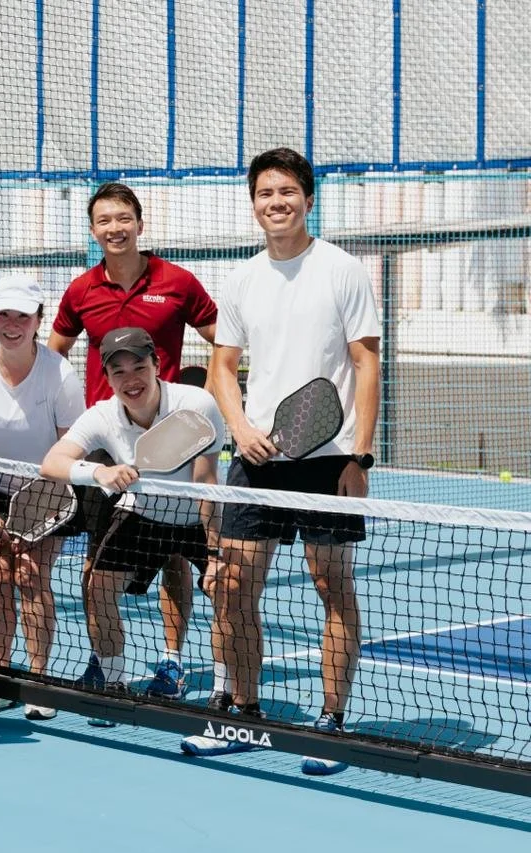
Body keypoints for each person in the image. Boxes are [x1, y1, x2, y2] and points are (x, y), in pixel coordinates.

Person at [192, 147, 380, 774]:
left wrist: (359, 456)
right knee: (234, 587)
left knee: (332, 586)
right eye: (265, 193)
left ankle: (330, 723)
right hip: (258, 459)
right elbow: (222, 368)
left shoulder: (342, 270)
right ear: (254, 204)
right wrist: (240, 429)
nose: (277, 202)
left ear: (308, 198)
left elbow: (366, 364)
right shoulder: (242, 278)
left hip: (329, 461)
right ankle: (241, 713)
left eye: (287, 191)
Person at [48, 182, 219, 697]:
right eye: (104, 220)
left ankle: (172, 660)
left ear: (140, 224)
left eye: (123, 218)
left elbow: (225, 341)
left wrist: (206, 406)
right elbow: (54, 359)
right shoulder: (80, 290)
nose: (115, 228)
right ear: (93, 229)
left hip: (173, 439)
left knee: (175, 556)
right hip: (107, 446)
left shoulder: (178, 281)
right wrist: (71, 431)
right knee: (96, 562)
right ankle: (106, 662)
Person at [41, 328, 224, 711]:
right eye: (118, 371)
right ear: (107, 378)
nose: (131, 379)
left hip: (196, 514)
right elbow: (52, 462)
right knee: (98, 589)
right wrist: (98, 472)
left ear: (157, 365)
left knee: (229, 590)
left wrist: (215, 554)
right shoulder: (102, 416)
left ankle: (221, 691)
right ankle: (113, 682)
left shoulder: (196, 404)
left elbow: (205, 483)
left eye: (139, 367)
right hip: (142, 513)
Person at [0, 272, 84, 720]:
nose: (11, 324)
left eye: (21, 316)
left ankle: (39, 682)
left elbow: (72, 449)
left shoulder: (60, 375)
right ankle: (0, 677)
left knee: (30, 575)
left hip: (50, 491)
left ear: (38, 320)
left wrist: (33, 517)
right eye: (3, 314)